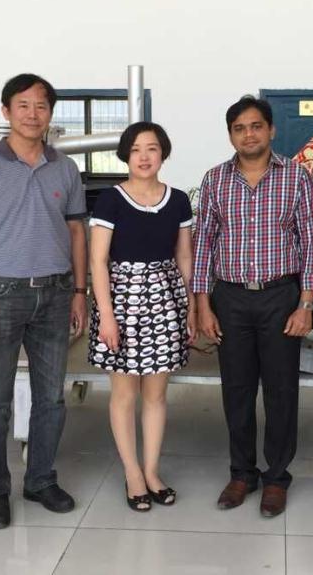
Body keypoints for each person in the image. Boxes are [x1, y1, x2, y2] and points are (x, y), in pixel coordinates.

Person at [0, 73, 88, 529]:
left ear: (51, 113)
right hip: (0, 295)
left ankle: (40, 480)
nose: (33, 114)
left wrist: (79, 292)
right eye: (24, 105)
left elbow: (76, 233)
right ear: (6, 111)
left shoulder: (65, 169)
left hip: (55, 295)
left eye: (42, 106)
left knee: (51, 398)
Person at [193, 95, 313, 518]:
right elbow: (203, 244)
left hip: (280, 297)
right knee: (237, 389)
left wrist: (306, 304)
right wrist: (203, 304)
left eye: (255, 126)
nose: (248, 135)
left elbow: (311, 243)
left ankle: (277, 477)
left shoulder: (296, 178)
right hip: (229, 298)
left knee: (281, 390)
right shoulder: (215, 180)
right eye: (239, 128)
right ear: (230, 135)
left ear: (271, 130)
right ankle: (242, 473)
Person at [88, 121, 196, 512]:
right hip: (121, 302)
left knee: (156, 394)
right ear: (125, 156)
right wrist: (107, 315)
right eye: (135, 150)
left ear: (162, 153)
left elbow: (184, 256)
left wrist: (190, 305)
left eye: (151, 148)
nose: (144, 156)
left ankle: (151, 471)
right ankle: (132, 473)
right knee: (124, 394)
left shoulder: (178, 200)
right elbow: (98, 261)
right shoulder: (111, 200)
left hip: (166, 300)